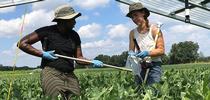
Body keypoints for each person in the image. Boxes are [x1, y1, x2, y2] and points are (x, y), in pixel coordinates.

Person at [18, 4, 103, 99]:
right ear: (63, 21)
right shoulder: (47, 31)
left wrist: (91, 62)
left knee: (76, 97)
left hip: (70, 75)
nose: (75, 22)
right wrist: (42, 54)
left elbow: (78, 58)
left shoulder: (74, 35)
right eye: (72, 19)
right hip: (52, 73)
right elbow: (22, 43)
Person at [126, 2, 165, 88]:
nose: (134, 19)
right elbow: (131, 50)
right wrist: (131, 54)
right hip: (140, 66)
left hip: (154, 66)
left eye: (136, 15)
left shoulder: (155, 30)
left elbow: (161, 50)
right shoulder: (132, 33)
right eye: (132, 17)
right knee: (139, 91)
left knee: (152, 91)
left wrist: (147, 53)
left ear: (143, 13)